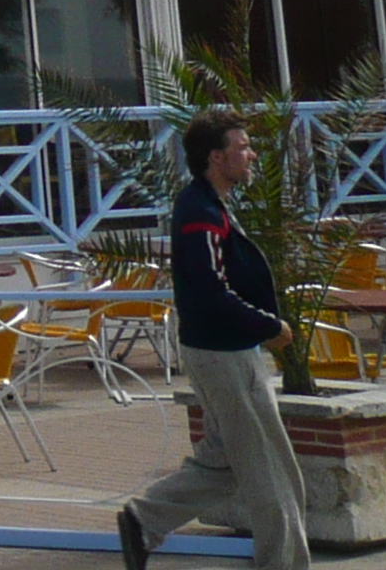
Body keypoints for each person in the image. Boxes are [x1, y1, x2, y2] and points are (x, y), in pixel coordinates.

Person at [121, 111, 309, 570]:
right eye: (243, 147)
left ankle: (144, 519)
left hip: (222, 351)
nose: (251, 154)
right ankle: (282, 564)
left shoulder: (210, 206)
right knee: (270, 469)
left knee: (225, 462)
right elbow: (209, 291)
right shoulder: (200, 214)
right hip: (224, 355)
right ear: (216, 156)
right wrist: (268, 326)